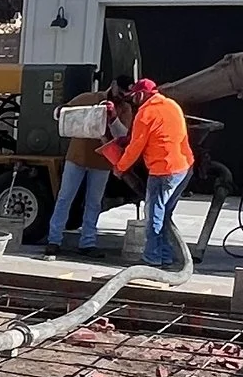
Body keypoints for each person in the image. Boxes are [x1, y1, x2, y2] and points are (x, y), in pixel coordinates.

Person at [101, 76, 193, 271]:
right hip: (184, 168)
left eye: (134, 96)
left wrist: (120, 167)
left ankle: (152, 258)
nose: (133, 99)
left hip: (163, 170)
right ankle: (165, 257)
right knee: (165, 213)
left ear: (142, 94)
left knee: (154, 214)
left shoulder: (146, 113)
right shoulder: (172, 105)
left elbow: (135, 147)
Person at [44, 85, 115, 252]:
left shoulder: (123, 107)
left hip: (100, 161)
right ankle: (54, 240)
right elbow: (58, 114)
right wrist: (63, 111)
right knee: (66, 198)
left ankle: (87, 242)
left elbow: (123, 134)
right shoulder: (86, 98)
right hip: (78, 159)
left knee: (92, 203)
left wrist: (114, 119)